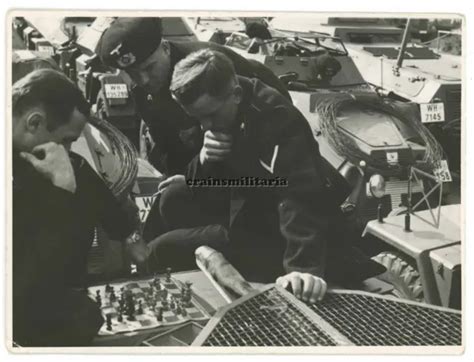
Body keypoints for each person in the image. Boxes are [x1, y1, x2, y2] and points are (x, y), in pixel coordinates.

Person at [147, 49, 381, 303]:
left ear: (236, 95)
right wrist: (203, 159)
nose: (205, 126)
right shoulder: (215, 106)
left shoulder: (276, 119)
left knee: (162, 249)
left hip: (276, 226)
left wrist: (301, 271)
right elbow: (216, 174)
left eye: (210, 116)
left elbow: (299, 197)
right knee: (172, 197)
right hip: (247, 199)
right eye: (198, 119)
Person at [12, 69, 149, 346]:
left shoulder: (46, 157)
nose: (67, 150)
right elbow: (26, 283)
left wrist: (131, 236)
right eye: (64, 140)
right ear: (34, 123)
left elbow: (109, 210)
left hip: (56, 289)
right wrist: (62, 190)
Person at [95, 17, 290, 177]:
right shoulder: (141, 91)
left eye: (149, 67)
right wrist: (187, 177)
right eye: (134, 73)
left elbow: (271, 132)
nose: (144, 80)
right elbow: (167, 149)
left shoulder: (210, 66)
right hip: (205, 163)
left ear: (165, 48)